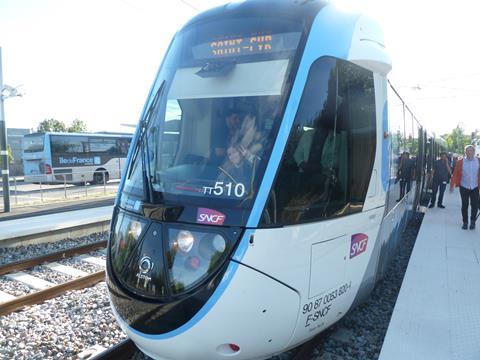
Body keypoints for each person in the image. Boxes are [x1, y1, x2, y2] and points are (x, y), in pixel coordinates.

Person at [449, 144, 480, 230]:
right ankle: (465, 222)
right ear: (465, 152)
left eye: (471, 151)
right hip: (464, 186)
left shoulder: (478, 161)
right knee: (464, 205)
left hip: (475, 187)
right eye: (468, 151)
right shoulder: (460, 162)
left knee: (475, 205)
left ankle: (473, 221)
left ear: (474, 152)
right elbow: (455, 174)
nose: (469, 152)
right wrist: (452, 184)